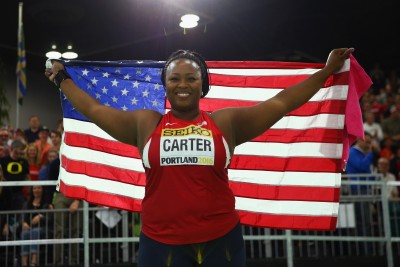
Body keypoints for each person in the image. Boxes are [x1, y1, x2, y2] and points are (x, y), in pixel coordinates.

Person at [45, 47, 353, 266]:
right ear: (165, 85)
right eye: (174, 78)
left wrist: (326, 70)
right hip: (159, 243)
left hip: (221, 241)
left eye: (191, 78)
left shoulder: (225, 123)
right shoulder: (145, 123)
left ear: (202, 85)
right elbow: (95, 110)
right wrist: (62, 79)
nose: (182, 84)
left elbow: (282, 102)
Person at [20, 185, 51, 267]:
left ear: (42, 190)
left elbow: (50, 218)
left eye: (39, 188)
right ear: (32, 190)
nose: (36, 190)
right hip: (29, 228)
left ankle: (34, 261)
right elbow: (21, 217)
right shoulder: (27, 203)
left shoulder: (46, 204)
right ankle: (24, 262)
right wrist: (23, 223)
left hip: (43, 228)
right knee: (25, 233)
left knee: (35, 232)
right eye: (35, 188)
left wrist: (41, 216)